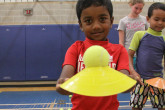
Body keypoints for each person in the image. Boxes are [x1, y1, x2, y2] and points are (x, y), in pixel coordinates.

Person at [56, 0, 138, 110]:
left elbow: (123, 82)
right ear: (81, 25)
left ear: (111, 21)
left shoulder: (120, 51)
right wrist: (63, 85)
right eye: (88, 21)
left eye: (102, 19)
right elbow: (65, 79)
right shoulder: (75, 49)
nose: (96, 26)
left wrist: (130, 83)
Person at [128, 2, 165, 110]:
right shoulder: (139, 35)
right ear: (148, 19)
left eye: (164, 20)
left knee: (162, 107)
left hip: (158, 80)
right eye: (156, 19)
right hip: (140, 79)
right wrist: (133, 72)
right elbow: (129, 55)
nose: (160, 23)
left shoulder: (163, 39)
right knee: (136, 108)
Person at [117, 0, 148, 69]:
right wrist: (123, 54)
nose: (138, 11)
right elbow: (121, 41)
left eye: (141, 9)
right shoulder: (123, 21)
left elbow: (147, 36)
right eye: (136, 8)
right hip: (130, 54)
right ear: (131, 5)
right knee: (131, 76)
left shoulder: (144, 19)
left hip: (142, 53)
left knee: (142, 76)